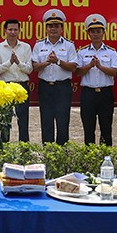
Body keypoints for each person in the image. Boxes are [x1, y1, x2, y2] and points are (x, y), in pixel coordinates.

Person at [32, 9, 77, 145]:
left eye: (56, 26)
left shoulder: (69, 45)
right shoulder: (39, 45)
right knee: (46, 121)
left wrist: (57, 61)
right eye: (50, 26)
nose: (53, 29)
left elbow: (73, 67)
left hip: (62, 88)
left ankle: (61, 156)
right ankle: (48, 155)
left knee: (63, 121)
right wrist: (46, 62)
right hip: (45, 87)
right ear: (46, 28)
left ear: (62, 28)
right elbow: (34, 67)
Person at [76, 13, 117, 146]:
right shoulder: (82, 52)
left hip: (105, 94)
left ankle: (106, 159)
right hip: (88, 94)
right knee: (88, 129)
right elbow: (77, 72)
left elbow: (115, 72)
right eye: (92, 32)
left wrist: (100, 66)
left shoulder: (111, 52)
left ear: (103, 32)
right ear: (88, 33)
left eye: (98, 31)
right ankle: (90, 159)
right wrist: (90, 65)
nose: (96, 34)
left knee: (106, 128)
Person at [0, 18, 33, 142]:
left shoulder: (25, 47)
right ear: (5, 30)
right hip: (5, 87)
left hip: (22, 86)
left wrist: (18, 63)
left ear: (19, 31)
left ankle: (24, 150)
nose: (13, 32)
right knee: (5, 122)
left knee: (23, 121)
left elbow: (29, 69)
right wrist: (9, 62)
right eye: (10, 29)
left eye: (15, 29)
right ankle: (5, 149)